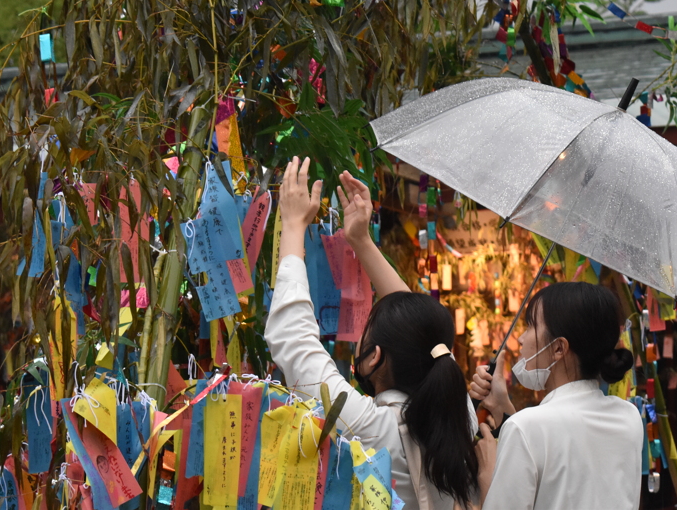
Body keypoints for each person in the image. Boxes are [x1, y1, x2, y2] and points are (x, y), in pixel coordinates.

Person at [265, 157, 478, 510]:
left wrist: (292, 225)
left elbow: (294, 338)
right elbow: (419, 326)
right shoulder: (459, 414)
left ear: (375, 357)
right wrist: (361, 241)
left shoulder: (373, 428)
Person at [469, 281, 642, 510]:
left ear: (559, 348)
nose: (521, 339)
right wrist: (502, 407)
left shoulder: (526, 428)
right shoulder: (628, 417)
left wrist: (488, 475)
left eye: (531, 326)